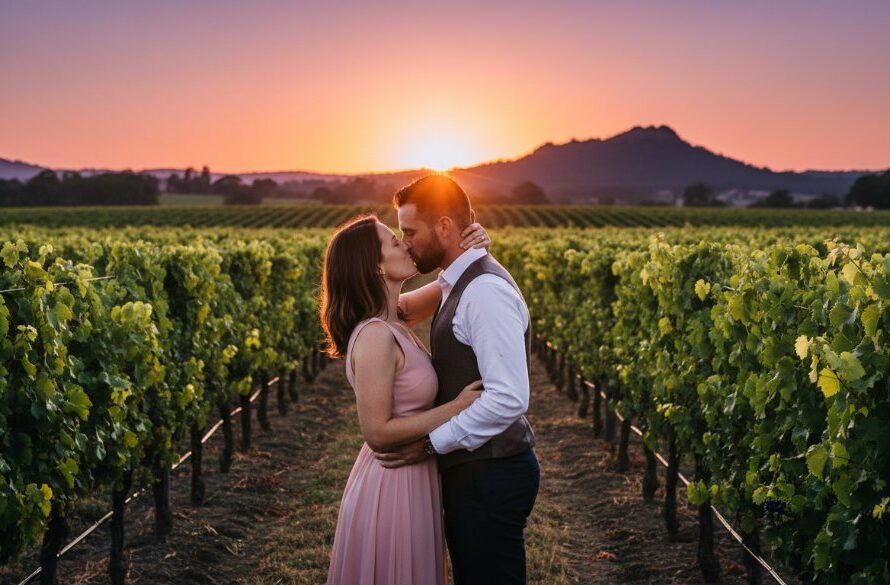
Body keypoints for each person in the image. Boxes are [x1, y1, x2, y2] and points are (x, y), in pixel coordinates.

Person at [376, 174, 540, 585]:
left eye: (410, 231)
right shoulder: (455, 280)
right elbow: (396, 310)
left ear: (446, 227)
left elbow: (508, 398)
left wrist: (431, 443)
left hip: (490, 472)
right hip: (477, 470)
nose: (406, 241)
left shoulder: (483, 290)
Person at [321, 212, 491, 585]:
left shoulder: (396, 317)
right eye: (394, 242)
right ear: (376, 267)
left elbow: (455, 281)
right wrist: (457, 408)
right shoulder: (375, 336)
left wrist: (472, 247)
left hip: (413, 476)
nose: (406, 243)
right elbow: (377, 432)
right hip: (392, 484)